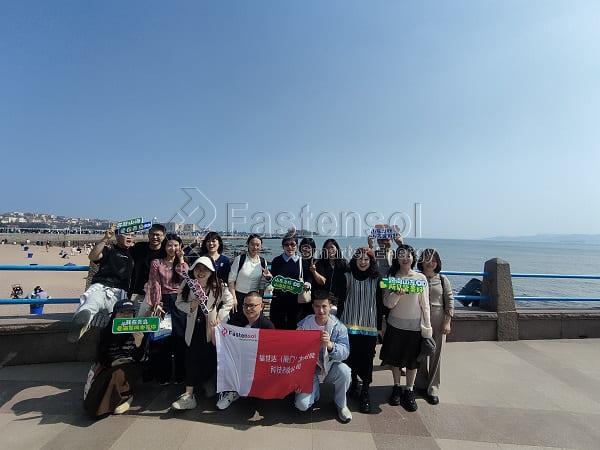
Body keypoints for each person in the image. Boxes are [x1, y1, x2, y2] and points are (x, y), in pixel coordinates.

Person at [171, 256, 234, 410]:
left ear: (211, 271)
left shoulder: (218, 285)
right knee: (191, 356)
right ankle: (189, 394)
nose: (201, 272)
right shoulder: (188, 284)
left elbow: (229, 301)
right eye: (198, 269)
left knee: (210, 356)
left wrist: (220, 317)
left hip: (211, 328)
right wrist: (191, 306)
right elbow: (178, 302)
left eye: (205, 269)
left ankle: (207, 382)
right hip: (193, 326)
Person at [380, 245, 432, 412]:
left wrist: (427, 327)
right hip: (395, 325)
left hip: (415, 327)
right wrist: (397, 294)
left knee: (412, 362)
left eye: (408, 255)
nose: (405, 258)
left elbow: (425, 305)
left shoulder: (420, 278)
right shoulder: (391, 277)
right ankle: (396, 386)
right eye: (401, 255)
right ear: (396, 258)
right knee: (395, 359)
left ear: (413, 258)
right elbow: (387, 303)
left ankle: (409, 390)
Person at [68, 227, 135, 343]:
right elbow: (93, 256)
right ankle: (81, 322)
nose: (129, 237)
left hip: (120, 291)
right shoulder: (109, 250)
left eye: (132, 235)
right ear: (117, 236)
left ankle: (111, 343)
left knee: (116, 320)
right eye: (126, 234)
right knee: (91, 303)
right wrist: (105, 238)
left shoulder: (134, 253)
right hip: (101, 286)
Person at [295, 291, 352, 423]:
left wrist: (331, 345)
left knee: (344, 371)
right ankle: (315, 393)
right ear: (312, 306)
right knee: (301, 405)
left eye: (324, 306)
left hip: (330, 367)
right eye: (317, 306)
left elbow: (345, 352)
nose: (320, 310)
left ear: (330, 306)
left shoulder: (339, 327)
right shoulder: (304, 324)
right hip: (309, 370)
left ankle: (341, 404)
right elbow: (294, 351)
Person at [83, 299, 147, 418]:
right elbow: (101, 356)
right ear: (115, 315)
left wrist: (139, 343)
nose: (126, 316)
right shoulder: (106, 332)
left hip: (131, 365)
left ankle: (122, 399)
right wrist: (113, 363)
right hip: (110, 365)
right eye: (122, 312)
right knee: (104, 379)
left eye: (129, 313)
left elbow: (142, 359)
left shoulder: (139, 330)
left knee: (117, 375)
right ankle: (95, 405)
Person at [340, 248, 383, 414]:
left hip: (369, 327)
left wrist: (379, 328)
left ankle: (365, 391)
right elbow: (341, 300)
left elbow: (380, 304)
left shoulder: (377, 279)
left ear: (371, 261)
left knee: (366, 360)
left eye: (366, 259)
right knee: (350, 358)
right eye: (360, 259)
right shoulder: (347, 277)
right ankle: (353, 384)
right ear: (355, 260)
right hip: (348, 325)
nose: (363, 262)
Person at [216, 291, 275, 410]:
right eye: (245, 305)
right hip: (238, 360)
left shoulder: (267, 326)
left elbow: (271, 351)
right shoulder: (235, 320)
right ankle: (231, 391)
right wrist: (216, 328)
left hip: (257, 363)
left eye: (252, 305)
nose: (248, 309)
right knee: (210, 389)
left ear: (261, 306)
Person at [143, 233, 189, 385]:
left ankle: (181, 375)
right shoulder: (157, 263)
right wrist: (157, 303)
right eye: (169, 245)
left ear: (180, 247)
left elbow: (186, 280)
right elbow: (154, 283)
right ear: (164, 246)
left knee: (180, 338)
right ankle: (164, 375)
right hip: (163, 301)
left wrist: (181, 259)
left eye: (176, 245)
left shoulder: (183, 263)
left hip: (180, 302)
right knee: (163, 339)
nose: (172, 248)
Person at [415, 249, 454, 405]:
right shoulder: (417, 278)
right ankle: (420, 384)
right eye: (427, 259)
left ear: (437, 262)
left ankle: (433, 388)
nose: (430, 263)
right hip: (420, 319)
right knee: (420, 353)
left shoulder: (443, 279)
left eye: (433, 260)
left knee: (436, 354)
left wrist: (447, 321)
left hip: (438, 319)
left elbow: (449, 300)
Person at [228, 234, 271, 313]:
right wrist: (234, 298)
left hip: (254, 299)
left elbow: (262, 284)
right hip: (239, 297)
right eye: (252, 244)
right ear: (247, 244)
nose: (255, 247)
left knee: (253, 320)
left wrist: (260, 300)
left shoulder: (262, 261)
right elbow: (231, 280)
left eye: (257, 245)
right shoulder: (240, 259)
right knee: (238, 319)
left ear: (261, 246)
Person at [269, 233, 302, 329]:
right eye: (286, 245)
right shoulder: (276, 260)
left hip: (295, 301)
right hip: (278, 300)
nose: (289, 247)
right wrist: (268, 278)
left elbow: (308, 278)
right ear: (283, 246)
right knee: (277, 326)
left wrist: (308, 284)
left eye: (292, 244)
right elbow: (273, 279)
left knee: (294, 327)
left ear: (297, 246)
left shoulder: (301, 261)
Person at [129, 224, 166, 305]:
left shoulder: (166, 252)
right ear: (148, 235)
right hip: (138, 292)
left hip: (160, 294)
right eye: (152, 234)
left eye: (158, 235)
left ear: (163, 236)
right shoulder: (139, 247)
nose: (155, 237)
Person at [314, 239, 348, 316]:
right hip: (322, 300)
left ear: (337, 248)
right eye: (327, 248)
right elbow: (320, 282)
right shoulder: (319, 263)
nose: (330, 250)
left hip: (338, 300)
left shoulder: (343, 263)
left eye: (332, 247)